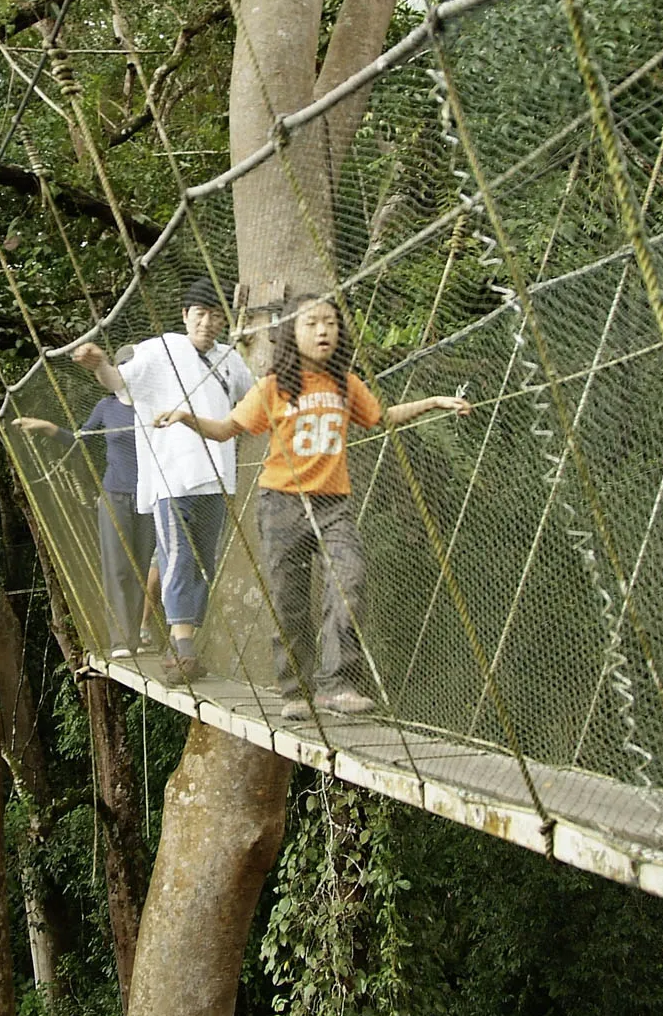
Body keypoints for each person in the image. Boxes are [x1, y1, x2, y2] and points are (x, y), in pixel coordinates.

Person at [156, 294, 471, 720]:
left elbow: (382, 417)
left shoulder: (346, 384)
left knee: (351, 579)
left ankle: (337, 685)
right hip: (280, 505)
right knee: (290, 600)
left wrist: (433, 402)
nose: (323, 331)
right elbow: (228, 428)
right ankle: (294, 690)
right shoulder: (274, 387)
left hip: (333, 505)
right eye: (312, 323)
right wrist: (187, 416)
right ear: (291, 332)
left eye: (330, 323)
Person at [72, 276, 254, 685]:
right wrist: (100, 364)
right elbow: (120, 383)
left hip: (218, 480)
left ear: (224, 319)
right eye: (201, 314)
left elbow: (255, 397)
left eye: (216, 315)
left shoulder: (229, 359)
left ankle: (181, 646)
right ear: (185, 315)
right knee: (177, 558)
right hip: (173, 479)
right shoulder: (160, 351)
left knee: (204, 564)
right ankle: (183, 650)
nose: (208, 322)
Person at [11, 363, 156, 659]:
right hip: (115, 495)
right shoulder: (107, 406)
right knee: (118, 568)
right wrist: (47, 428)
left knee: (142, 567)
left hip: (149, 496)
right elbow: (81, 440)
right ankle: (120, 640)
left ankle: (138, 635)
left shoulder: (154, 405)